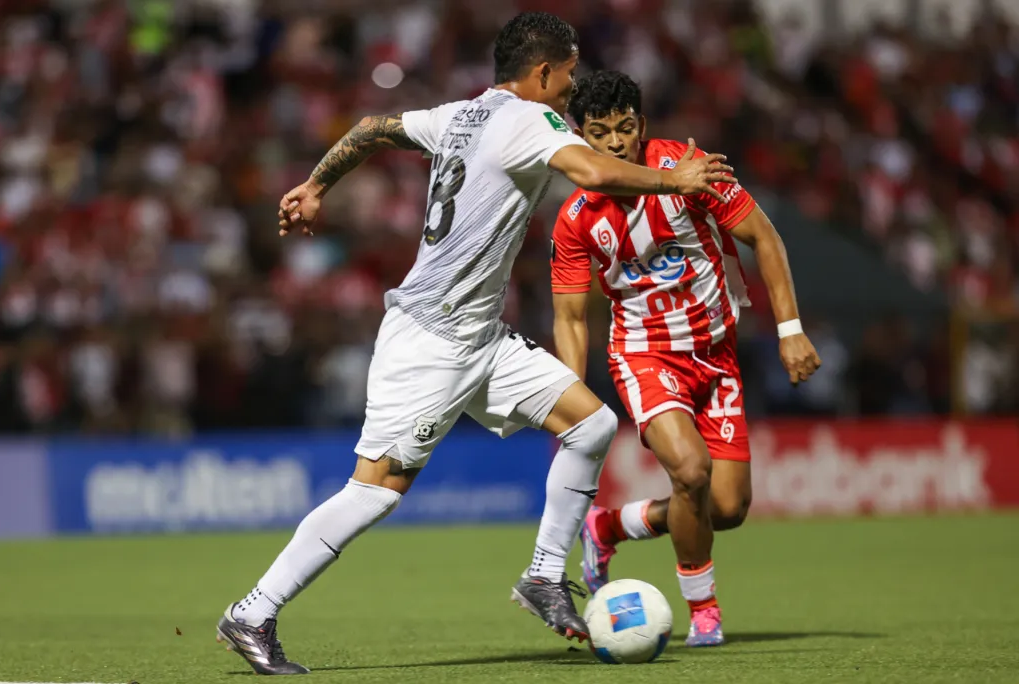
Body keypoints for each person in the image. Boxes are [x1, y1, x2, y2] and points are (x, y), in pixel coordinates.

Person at [214, 15, 737, 675]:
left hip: (479, 336)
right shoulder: (532, 121)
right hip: (432, 339)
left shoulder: (459, 116)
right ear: (543, 73)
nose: (572, 93)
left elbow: (371, 129)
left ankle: (545, 575)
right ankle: (254, 610)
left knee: (591, 424)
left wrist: (317, 185)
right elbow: (596, 175)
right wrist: (676, 181)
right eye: (570, 77)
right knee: (374, 491)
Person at [549, 71, 821, 648]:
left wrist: (790, 329)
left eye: (626, 128)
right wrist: (570, 400)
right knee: (691, 471)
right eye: (600, 133)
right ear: (582, 138)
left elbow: (764, 237)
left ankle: (609, 525)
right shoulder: (576, 218)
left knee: (726, 507)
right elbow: (572, 318)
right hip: (643, 354)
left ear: (641, 125)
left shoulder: (690, 172)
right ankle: (704, 612)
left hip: (717, 356)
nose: (616, 142)